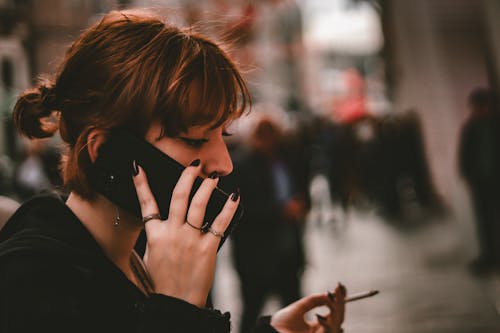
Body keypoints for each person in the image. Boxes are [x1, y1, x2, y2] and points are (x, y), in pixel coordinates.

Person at [0, 9, 346, 333]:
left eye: (221, 134)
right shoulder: (29, 283)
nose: (224, 163)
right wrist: (176, 311)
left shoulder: (139, 253)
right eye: (195, 140)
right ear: (104, 149)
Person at [231, 117, 311, 333]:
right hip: (256, 255)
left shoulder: (284, 159)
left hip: (287, 247)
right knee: (252, 310)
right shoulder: (242, 163)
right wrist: (280, 211)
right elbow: (240, 209)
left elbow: (300, 185)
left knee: (294, 307)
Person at [458, 87, 500, 275]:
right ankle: (489, 255)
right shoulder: (470, 127)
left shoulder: (494, 124)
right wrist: (467, 176)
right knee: (484, 221)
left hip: (494, 180)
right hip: (480, 182)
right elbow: (464, 155)